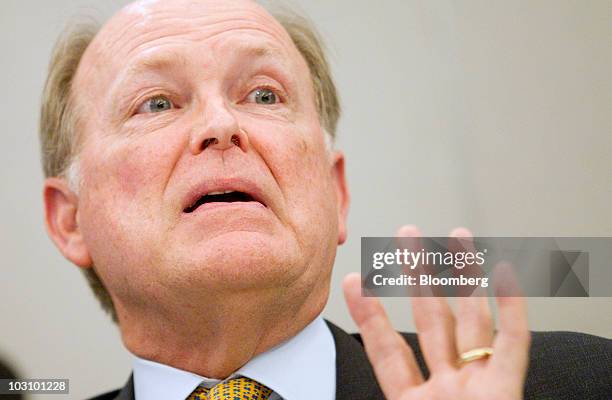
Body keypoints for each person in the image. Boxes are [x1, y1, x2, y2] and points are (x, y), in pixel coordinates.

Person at [39, 1, 611, 399]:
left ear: (336, 192)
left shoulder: (582, 383)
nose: (221, 124)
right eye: (157, 103)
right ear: (70, 221)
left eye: (264, 93)